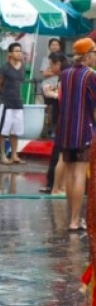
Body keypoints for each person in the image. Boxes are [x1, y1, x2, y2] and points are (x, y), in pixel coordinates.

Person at [55, 38, 96, 231]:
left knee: (70, 174)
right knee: (79, 175)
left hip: (66, 130)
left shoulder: (65, 74)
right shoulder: (90, 76)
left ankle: (72, 218)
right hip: (83, 129)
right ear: (87, 54)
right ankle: (74, 219)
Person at [41, 51, 71, 194]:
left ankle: (55, 186)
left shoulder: (65, 76)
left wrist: (52, 94)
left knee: (60, 155)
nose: (50, 68)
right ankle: (57, 186)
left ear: (58, 64)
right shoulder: (67, 75)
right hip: (65, 119)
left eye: (51, 65)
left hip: (64, 120)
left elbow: (64, 98)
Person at [0, 42, 26, 165]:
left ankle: (14, 155)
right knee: (3, 131)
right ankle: (3, 155)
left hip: (18, 103)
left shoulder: (22, 66)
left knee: (15, 131)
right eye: (16, 51)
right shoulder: (5, 68)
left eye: (20, 51)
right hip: (6, 103)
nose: (19, 53)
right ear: (10, 54)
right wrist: (2, 96)